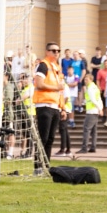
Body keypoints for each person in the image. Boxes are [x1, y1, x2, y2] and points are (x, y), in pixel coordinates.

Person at [33, 41, 65, 170]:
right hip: (44, 106)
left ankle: (46, 165)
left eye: (58, 51)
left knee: (51, 138)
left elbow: (61, 90)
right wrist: (55, 87)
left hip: (54, 106)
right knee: (43, 138)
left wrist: (63, 108)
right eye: (53, 50)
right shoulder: (43, 65)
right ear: (47, 52)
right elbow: (39, 84)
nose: (56, 53)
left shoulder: (56, 67)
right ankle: (38, 166)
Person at [77, 73, 102, 153]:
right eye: (84, 79)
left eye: (86, 79)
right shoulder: (95, 87)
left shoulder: (90, 88)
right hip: (95, 111)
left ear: (91, 80)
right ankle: (93, 147)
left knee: (86, 129)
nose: (85, 81)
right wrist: (100, 108)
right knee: (94, 130)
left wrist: (99, 108)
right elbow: (99, 99)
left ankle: (84, 148)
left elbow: (93, 99)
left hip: (91, 111)